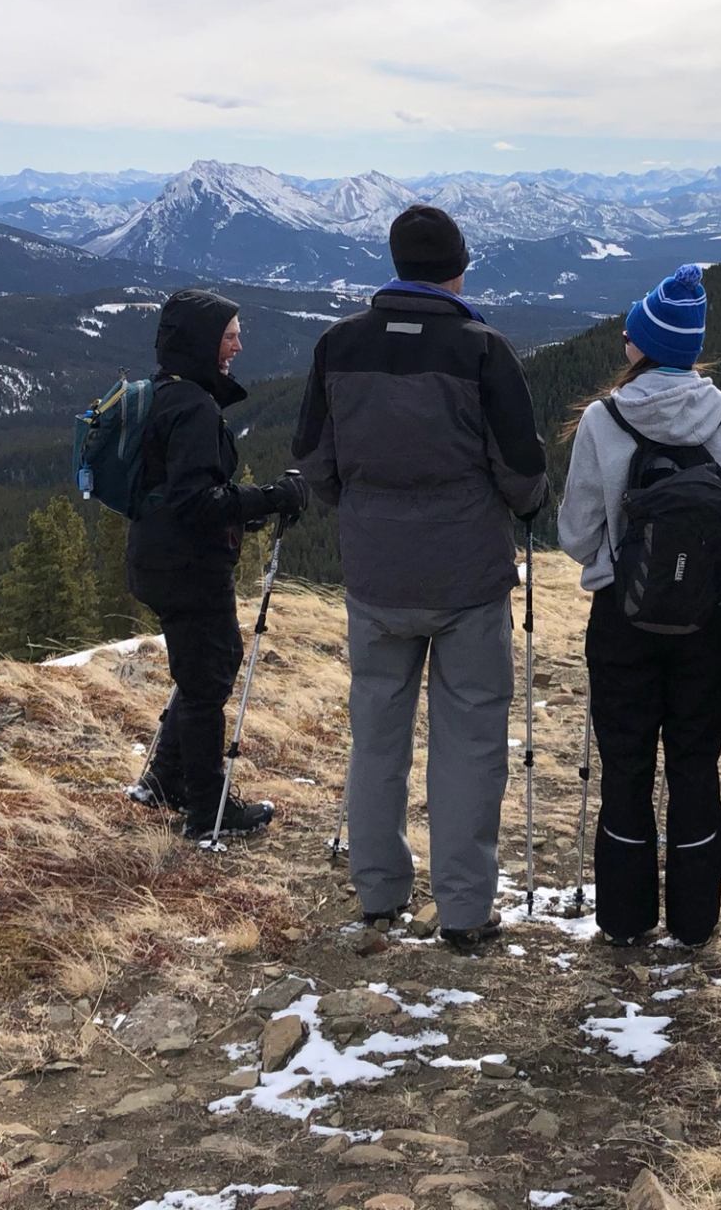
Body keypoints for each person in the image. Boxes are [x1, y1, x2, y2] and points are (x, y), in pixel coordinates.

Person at [292, 205, 548, 952]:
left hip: (375, 573)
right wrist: (519, 506)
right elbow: (522, 469)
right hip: (467, 574)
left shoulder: (339, 344)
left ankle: (379, 893)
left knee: (376, 733)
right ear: (458, 267)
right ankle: (465, 911)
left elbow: (315, 458)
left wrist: (365, 511)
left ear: (396, 263)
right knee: (470, 738)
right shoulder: (481, 348)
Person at [558, 264, 721, 949]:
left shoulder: (603, 419)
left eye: (631, 331)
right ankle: (696, 920)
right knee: (695, 763)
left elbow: (576, 533)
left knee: (625, 764)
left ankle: (624, 918)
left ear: (644, 345)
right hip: (705, 620)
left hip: (621, 616)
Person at [126, 288, 311, 841]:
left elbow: (183, 495)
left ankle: (166, 779)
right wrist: (271, 498)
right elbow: (196, 503)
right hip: (187, 567)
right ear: (204, 343)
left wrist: (245, 505)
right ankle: (207, 809)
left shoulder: (166, 394)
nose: (238, 344)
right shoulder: (193, 407)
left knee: (208, 664)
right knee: (207, 681)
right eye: (230, 335)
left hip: (158, 558)